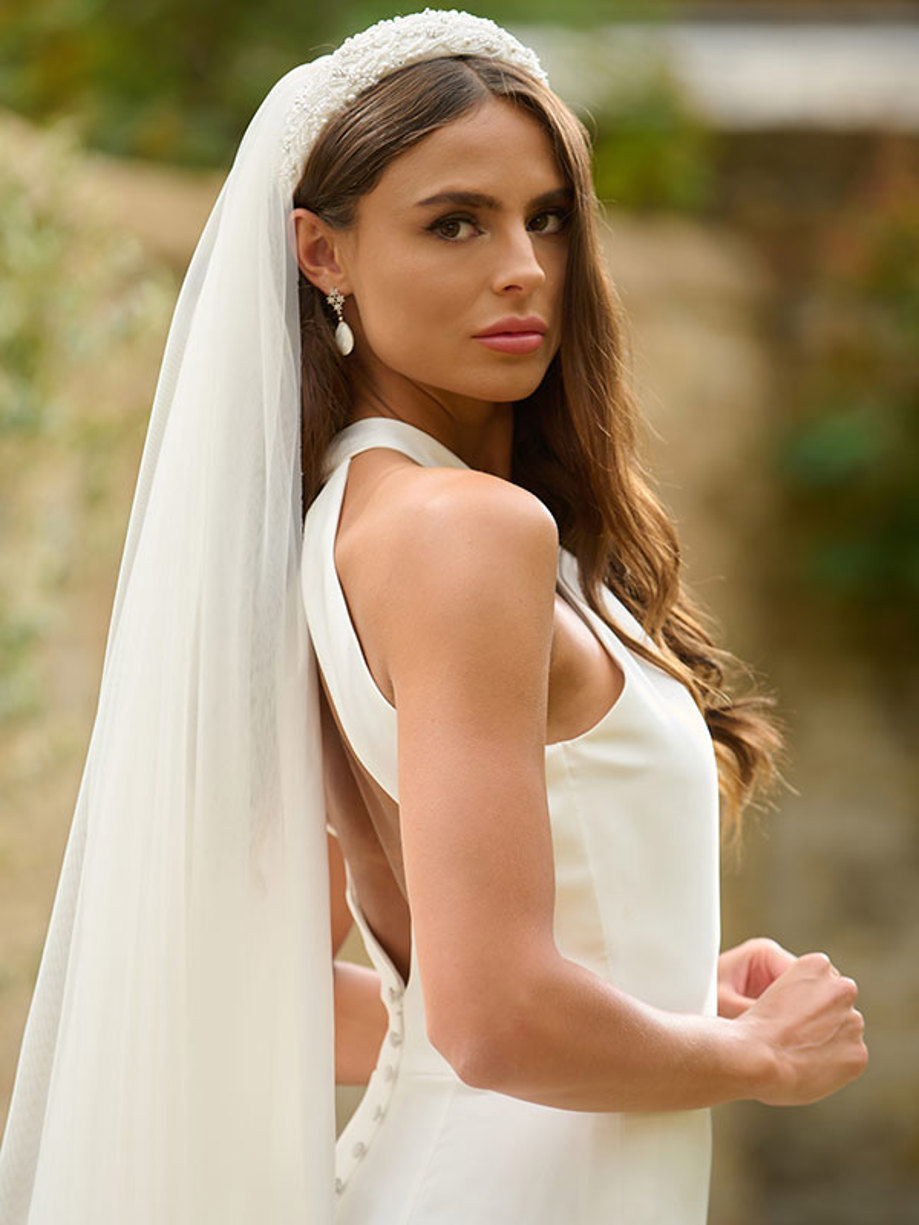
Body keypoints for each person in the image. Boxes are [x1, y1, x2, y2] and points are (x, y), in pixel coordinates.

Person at [0, 9, 867, 1224]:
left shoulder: (342, 525)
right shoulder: (465, 534)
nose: (522, 265)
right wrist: (762, 1059)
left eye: (546, 216)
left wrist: (655, 1000)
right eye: (454, 221)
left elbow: (297, 990)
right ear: (321, 253)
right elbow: (495, 1015)